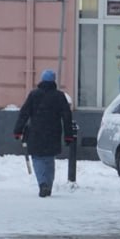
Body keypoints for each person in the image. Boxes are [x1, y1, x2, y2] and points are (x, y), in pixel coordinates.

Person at [13, 69, 74, 197]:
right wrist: (68, 135)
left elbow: (24, 113)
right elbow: (67, 116)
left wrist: (18, 130)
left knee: (37, 158)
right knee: (49, 159)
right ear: (54, 81)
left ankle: (42, 183)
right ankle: (48, 184)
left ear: (41, 80)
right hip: (53, 132)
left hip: (36, 132)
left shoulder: (34, 95)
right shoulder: (59, 96)